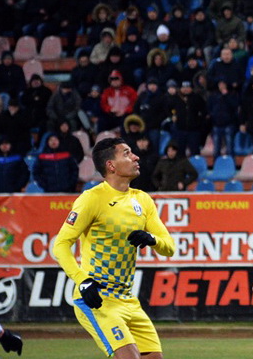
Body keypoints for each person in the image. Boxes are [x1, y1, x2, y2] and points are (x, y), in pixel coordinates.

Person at [53, 137, 175, 358]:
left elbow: (170, 247)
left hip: (129, 300)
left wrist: (152, 240)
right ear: (111, 165)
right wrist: (82, 281)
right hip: (98, 299)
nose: (136, 157)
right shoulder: (91, 199)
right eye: (127, 153)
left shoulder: (143, 200)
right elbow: (61, 245)